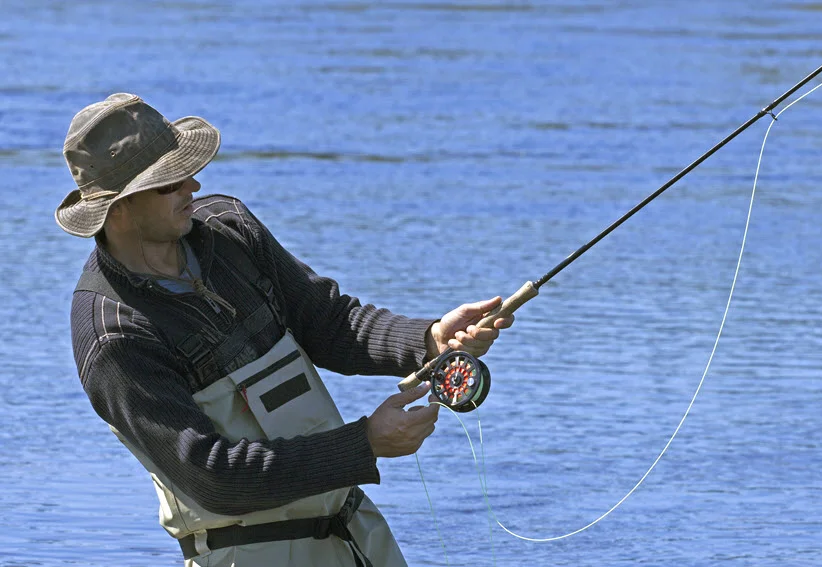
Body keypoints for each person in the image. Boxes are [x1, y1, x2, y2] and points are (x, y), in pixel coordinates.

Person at [56, 93, 513, 567]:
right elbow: (212, 477)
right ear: (119, 207)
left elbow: (329, 322)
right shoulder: (114, 336)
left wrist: (428, 338)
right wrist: (364, 444)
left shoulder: (229, 226)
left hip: (356, 533)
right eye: (169, 182)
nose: (193, 183)